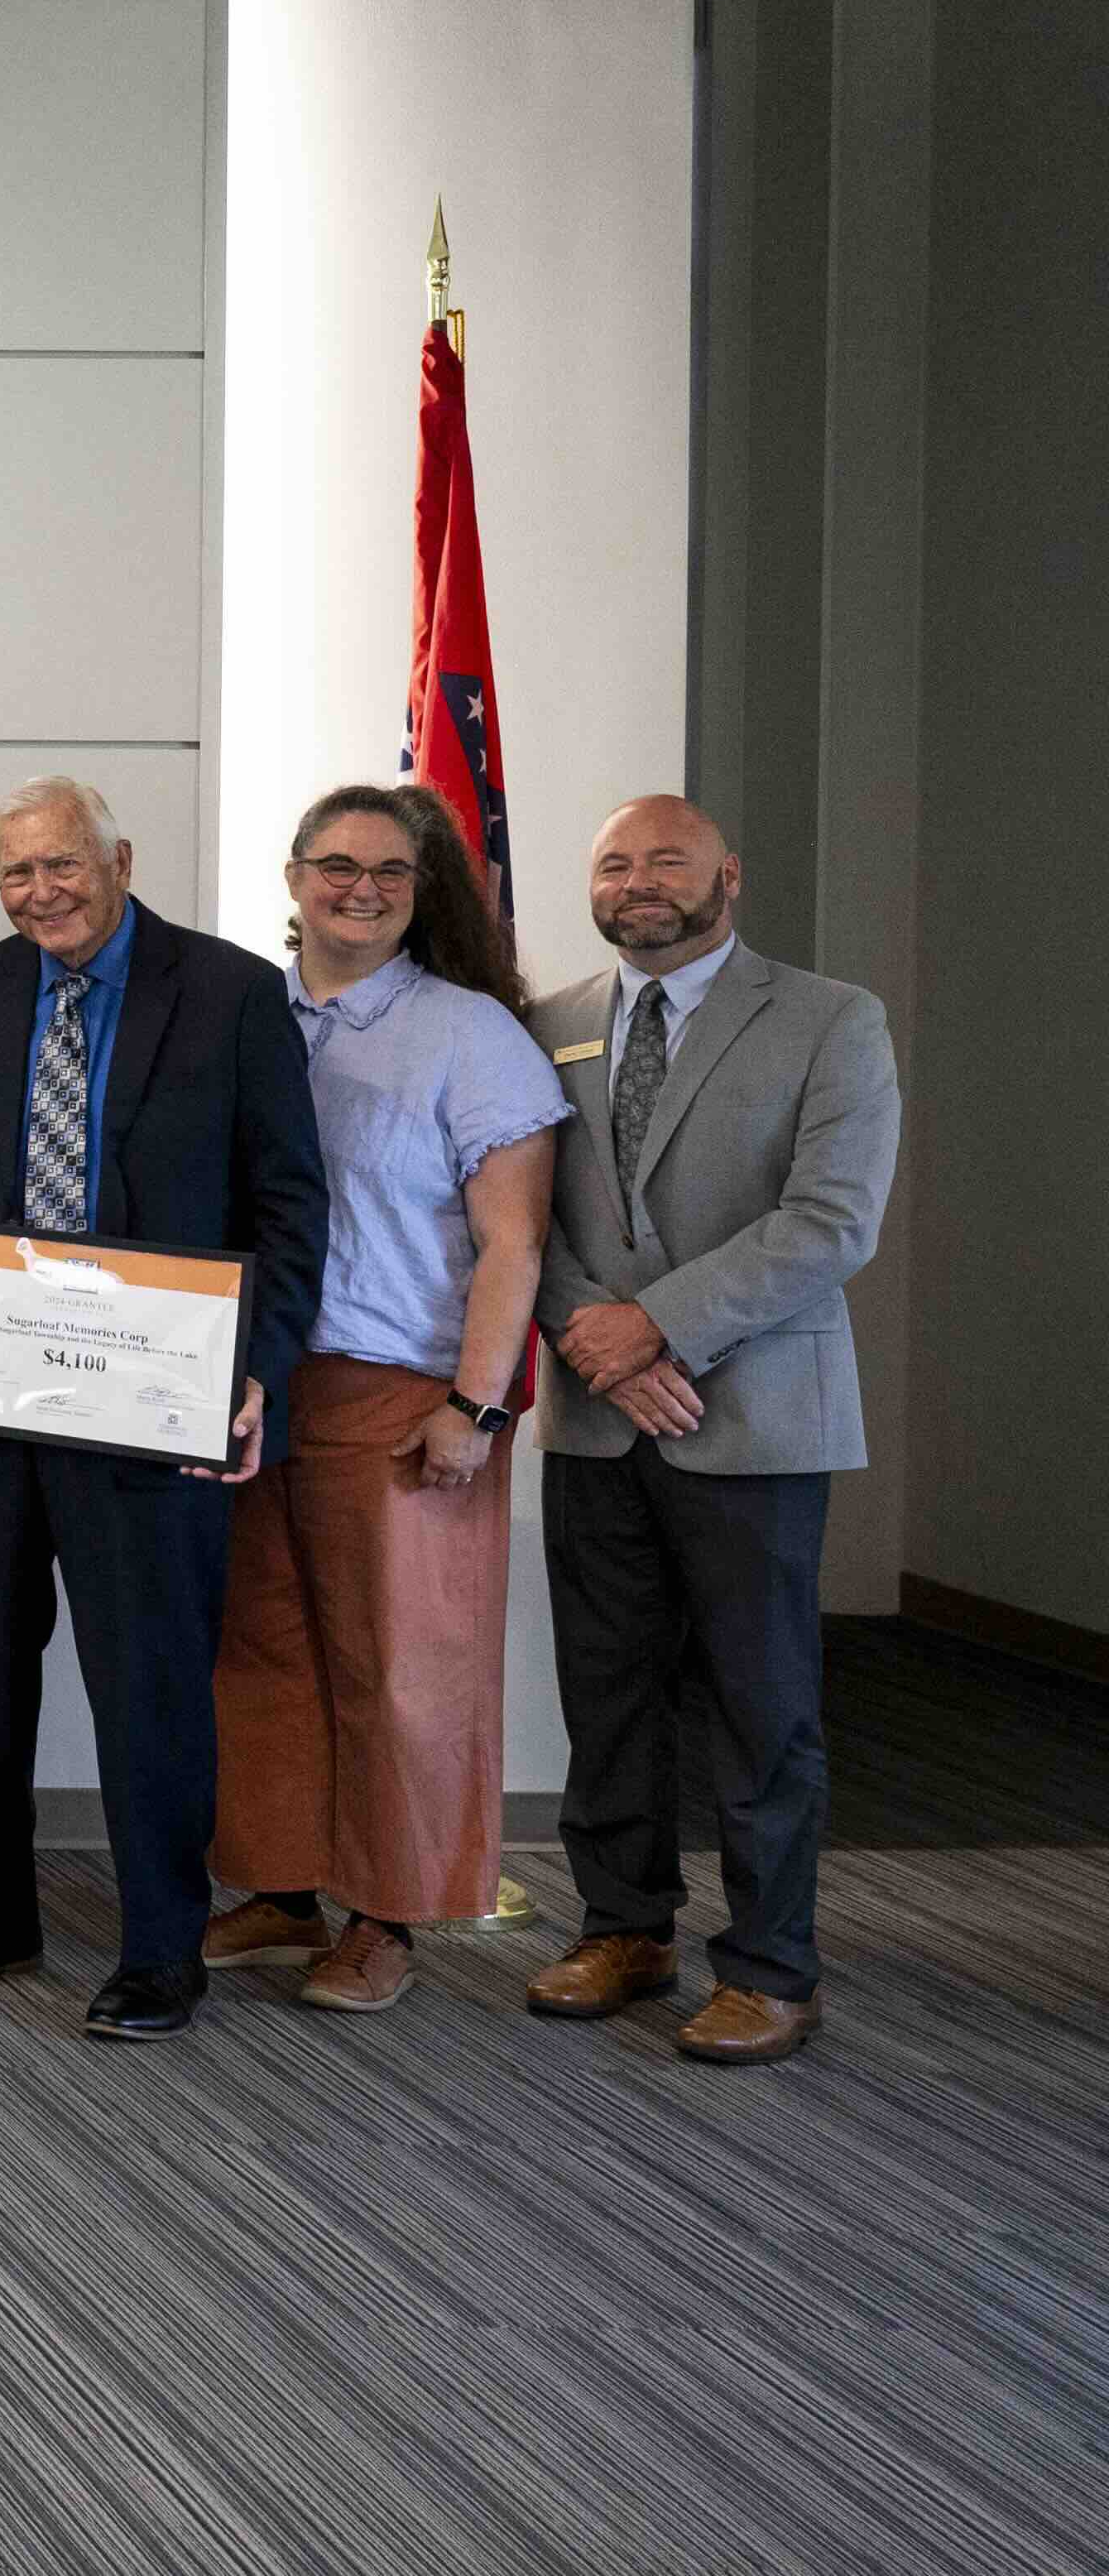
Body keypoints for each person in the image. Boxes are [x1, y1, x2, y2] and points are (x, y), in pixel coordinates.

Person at [0, 776, 324, 2041]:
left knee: (150, 1683)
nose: (41, 894)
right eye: (16, 872)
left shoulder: (233, 993)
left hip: (152, 1404)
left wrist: (260, 1372)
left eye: (63, 866)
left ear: (120, 858)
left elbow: (292, 1209)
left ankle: (159, 1948)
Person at [518, 795, 898, 2066]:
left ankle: (772, 1965)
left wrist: (661, 1328)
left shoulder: (831, 1019)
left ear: (727, 876)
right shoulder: (549, 1023)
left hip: (757, 1418)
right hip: (595, 1414)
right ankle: (624, 1928)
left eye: (664, 860)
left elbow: (832, 1220)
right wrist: (597, 1339)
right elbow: (526, 1219)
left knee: (760, 1705)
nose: (637, 882)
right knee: (608, 1692)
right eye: (615, 863)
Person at [199, 786, 564, 2014]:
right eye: (337, 866)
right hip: (253, 1379)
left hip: (401, 1387)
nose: (360, 889)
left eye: (391, 874)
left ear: (424, 891)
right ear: (292, 874)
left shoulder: (473, 1034)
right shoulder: (245, 1013)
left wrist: (479, 1404)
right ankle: (283, 1883)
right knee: (264, 1644)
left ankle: (388, 1914)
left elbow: (513, 1246)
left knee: (400, 1662)